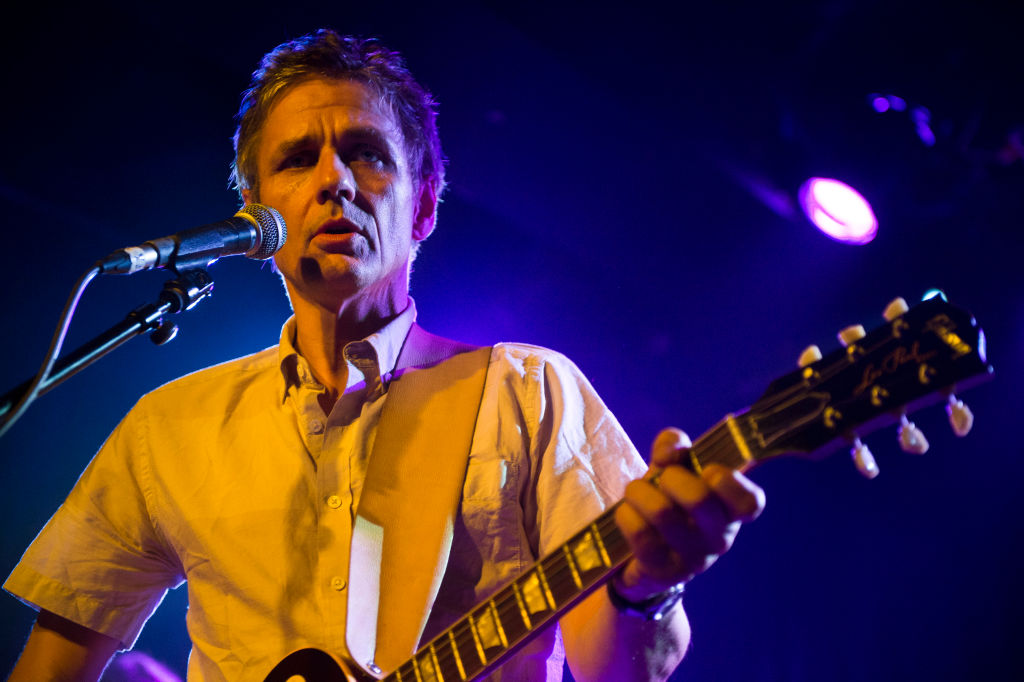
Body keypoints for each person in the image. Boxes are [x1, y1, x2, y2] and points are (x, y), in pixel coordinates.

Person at [4, 30, 765, 681]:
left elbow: (624, 667)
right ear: (256, 216)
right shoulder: (169, 429)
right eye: (298, 160)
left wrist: (648, 588)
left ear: (424, 204)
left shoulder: (526, 393)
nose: (333, 180)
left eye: (366, 155)